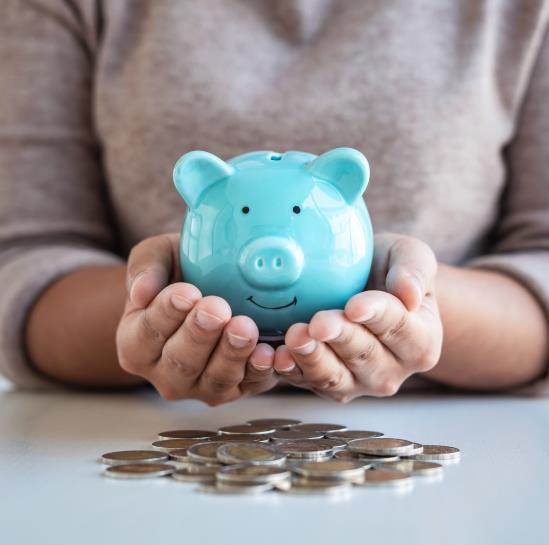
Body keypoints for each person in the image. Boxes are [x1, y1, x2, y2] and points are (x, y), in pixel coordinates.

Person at [0, 0, 548, 406]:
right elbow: (23, 259)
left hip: (464, 441)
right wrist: (156, 312)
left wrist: (407, 301)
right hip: (152, 431)